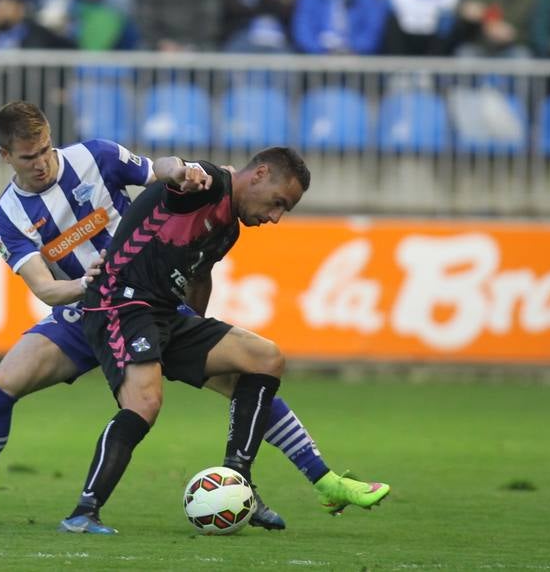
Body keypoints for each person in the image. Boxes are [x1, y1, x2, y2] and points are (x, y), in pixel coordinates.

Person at [0, 103, 388, 528]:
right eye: (28, 157)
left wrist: (184, 170)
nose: (40, 162)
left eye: (44, 149)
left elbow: (159, 171)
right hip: (84, 308)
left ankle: (278, 483)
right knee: (3, 384)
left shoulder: (94, 157)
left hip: (148, 301)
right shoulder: (8, 215)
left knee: (246, 378)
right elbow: (44, 287)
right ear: (5, 156)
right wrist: (84, 284)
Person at [60, 149, 382, 534]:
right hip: (120, 301)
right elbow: (166, 169)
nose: (276, 218)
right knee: (144, 402)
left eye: (285, 211)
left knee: (265, 357)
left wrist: (198, 329)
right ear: (260, 174)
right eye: (279, 203)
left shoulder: (229, 227)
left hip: (164, 313)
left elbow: (200, 276)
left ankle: (237, 480)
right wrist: (181, 170)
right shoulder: (207, 185)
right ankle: (84, 512)